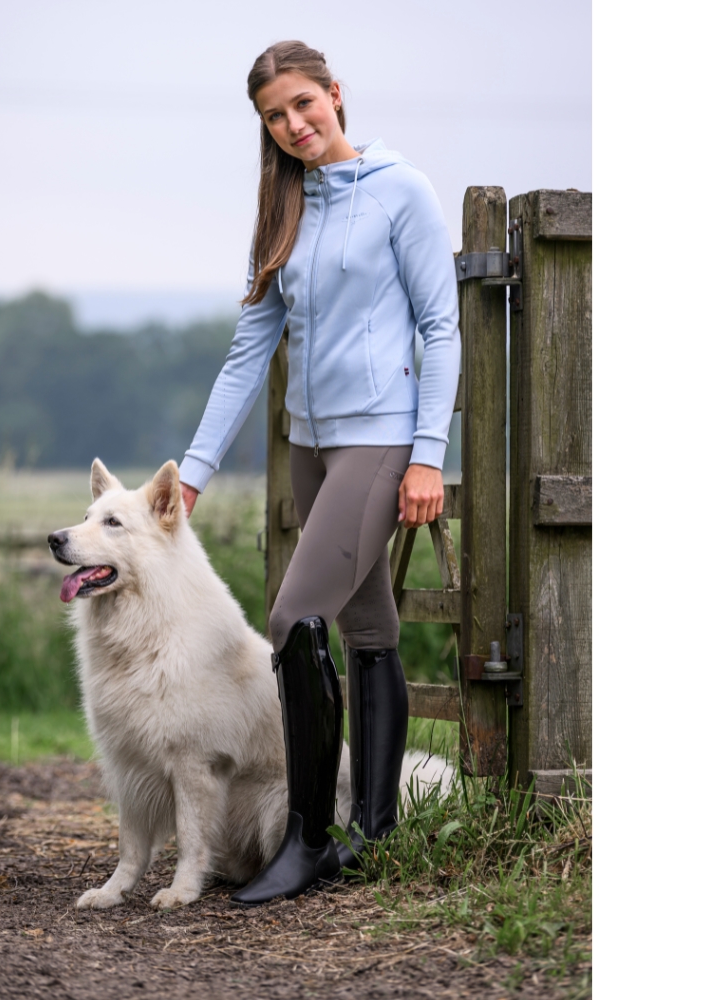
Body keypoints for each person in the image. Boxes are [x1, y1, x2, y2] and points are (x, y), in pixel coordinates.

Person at [177, 41, 460, 905]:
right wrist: (192, 472)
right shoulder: (282, 208)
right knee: (367, 630)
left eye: (303, 103)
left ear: (336, 94)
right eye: (274, 115)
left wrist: (428, 455)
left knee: (293, 617)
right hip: (310, 444)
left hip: (379, 442)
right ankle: (372, 835)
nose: (293, 124)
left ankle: (307, 839)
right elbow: (248, 351)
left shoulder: (400, 189)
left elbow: (440, 328)